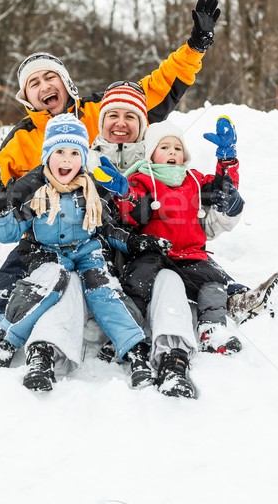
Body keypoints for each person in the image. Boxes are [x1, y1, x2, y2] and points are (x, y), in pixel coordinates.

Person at [0, 0, 221, 349]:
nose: (44, 86)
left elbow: (153, 89)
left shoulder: (98, 110)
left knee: (162, 249)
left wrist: (194, 48)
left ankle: (200, 304)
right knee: (22, 257)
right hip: (49, 228)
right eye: (34, 83)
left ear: (66, 84)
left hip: (109, 222)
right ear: (27, 98)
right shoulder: (24, 139)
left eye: (50, 77)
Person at [0, 113, 163, 391]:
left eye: (74, 152)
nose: (66, 160)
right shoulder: (35, 191)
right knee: (47, 287)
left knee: (104, 291)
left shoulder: (92, 189)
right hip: (48, 254)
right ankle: (10, 338)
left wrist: (134, 243)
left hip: (87, 253)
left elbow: (108, 230)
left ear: (83, 157)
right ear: (47, 155)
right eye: (59, 152)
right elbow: (9, 233)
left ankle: (136, 351)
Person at [93, 118, 248, 395]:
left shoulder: (194, 180)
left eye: (177, 147)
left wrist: (227, 161)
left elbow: (223, 190)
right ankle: (124, 332)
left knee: (213, 284)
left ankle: (212, 328)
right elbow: (135, 212)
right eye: (165, 147)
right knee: (137, 284)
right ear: (152, 153)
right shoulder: (141, 179)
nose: (173, 152)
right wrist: (124, 192)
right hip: (155, 251)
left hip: (190, 254)